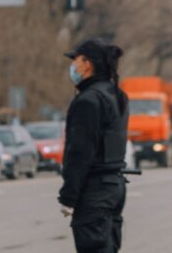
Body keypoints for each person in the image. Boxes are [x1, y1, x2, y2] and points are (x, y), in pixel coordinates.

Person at [58, 38, 129, 253]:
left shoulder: (88, 100)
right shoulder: (116, 95)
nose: (73, 66)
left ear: (87, 64)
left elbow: (80, 152)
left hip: (95, 192)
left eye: (76, 60)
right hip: (115, 186)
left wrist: (69, 196)